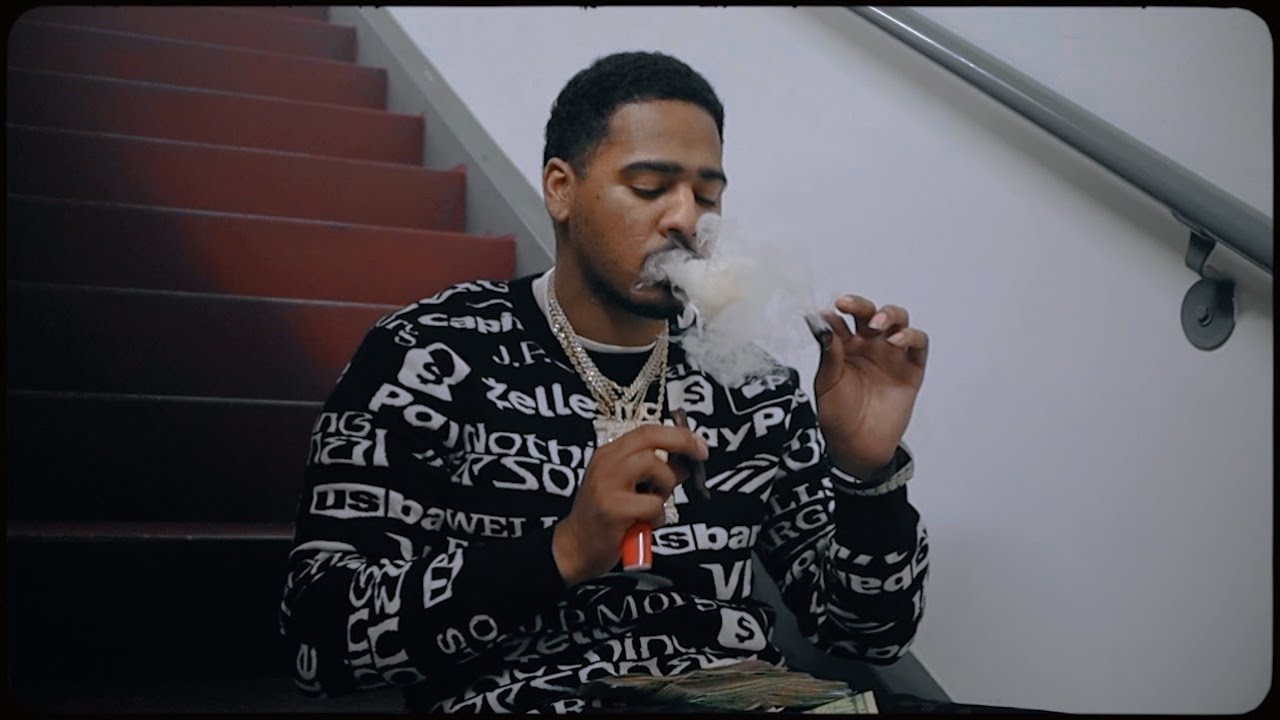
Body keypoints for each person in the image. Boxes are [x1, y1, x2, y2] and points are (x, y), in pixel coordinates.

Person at [279, 50, 931, 714]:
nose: (688, 221)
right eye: (649, 187)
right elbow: (318, 640)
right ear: (561, 189)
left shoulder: (753, 387)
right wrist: (562, 551)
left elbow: (868, 634)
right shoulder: (430, 357)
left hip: (748, 697)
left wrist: (867, 480)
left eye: (707, 196)